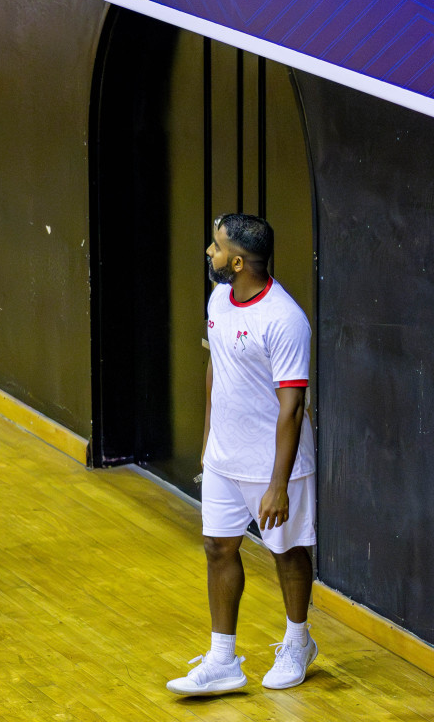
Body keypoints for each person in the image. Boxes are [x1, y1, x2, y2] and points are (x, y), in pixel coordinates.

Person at [167, 214, 318, 696]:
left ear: (236, 261)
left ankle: (298, 642)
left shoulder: (285, 319)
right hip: (224, 460)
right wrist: (210, 440)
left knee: (289, 552)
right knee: (218, 547)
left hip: (276, 464)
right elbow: (218, 367)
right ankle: (223, 660)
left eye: (215, 248)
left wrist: (278, 483)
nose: (209, 254)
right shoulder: (219, 299)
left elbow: (293, 408)